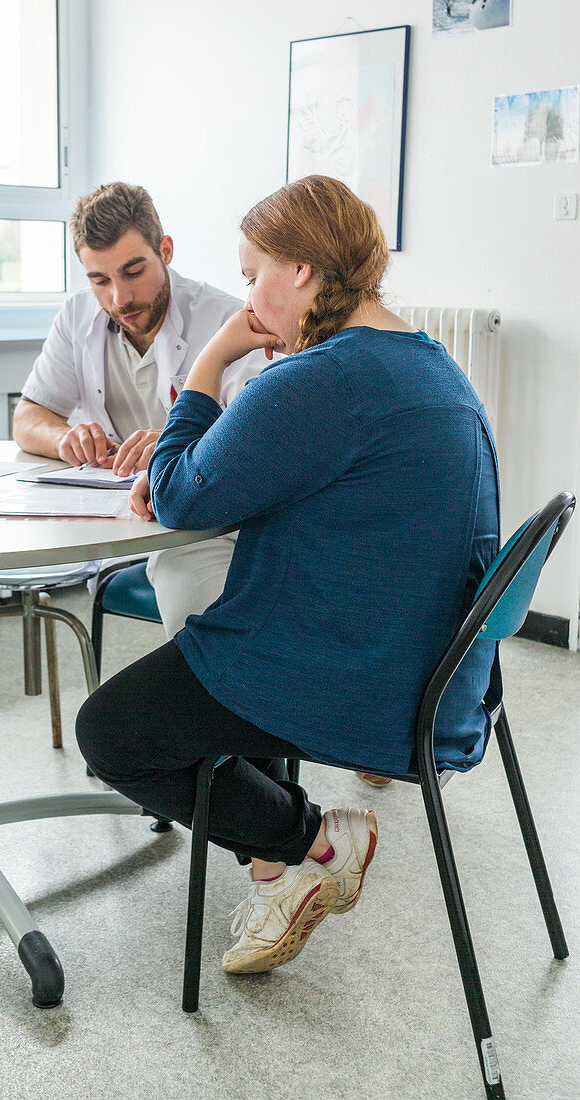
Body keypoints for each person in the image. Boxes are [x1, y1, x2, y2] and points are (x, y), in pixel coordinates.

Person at [75, 176, 499, 975]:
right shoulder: (425, 362)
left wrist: (211, 355)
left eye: (250, 275)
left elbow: (180, 494)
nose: (246, 299)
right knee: (199, 675)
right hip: (433, 675)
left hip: (361, 681)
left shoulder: (324, 377)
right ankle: (283, 871)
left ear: (299, 270)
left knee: (112, 734)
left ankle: (316, 845)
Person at [14, 181, 269, 638]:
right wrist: (65, 438)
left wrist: (177, 450)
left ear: (165, 250)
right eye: (100, 280)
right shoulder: (76, 317)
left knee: (195, 595)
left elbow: (253, 439)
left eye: (134, 272)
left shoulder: (227, 320)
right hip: (119, 519)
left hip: (204, 522)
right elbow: (28, 417)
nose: (120, 298)